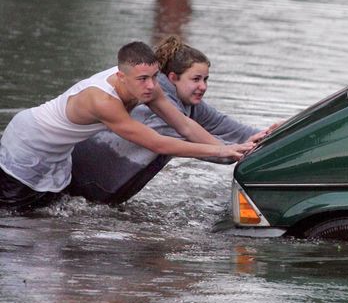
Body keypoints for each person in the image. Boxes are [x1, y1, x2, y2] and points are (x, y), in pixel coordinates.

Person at [0, 41, 254, 210]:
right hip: (28, 143)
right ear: (121, 76)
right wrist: (221, 151)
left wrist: (235, 148)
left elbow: (185, 125)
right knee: (14, 216)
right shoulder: (103, 101)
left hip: (59, 152)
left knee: (49, 213)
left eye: (155, 77)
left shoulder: (146, 84)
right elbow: (157, 142)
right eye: (143, 79)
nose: (151, 86)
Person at [67, 36, 276, 205]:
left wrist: (274, 134)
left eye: (205, 79)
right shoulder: (159, 110)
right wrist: (237, 150)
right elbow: (220, 154)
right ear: (173, 78)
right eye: (196, 79)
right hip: (79, 184)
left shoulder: (188, 103)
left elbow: (232, 130)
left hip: (101, 192)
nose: (203, 86)